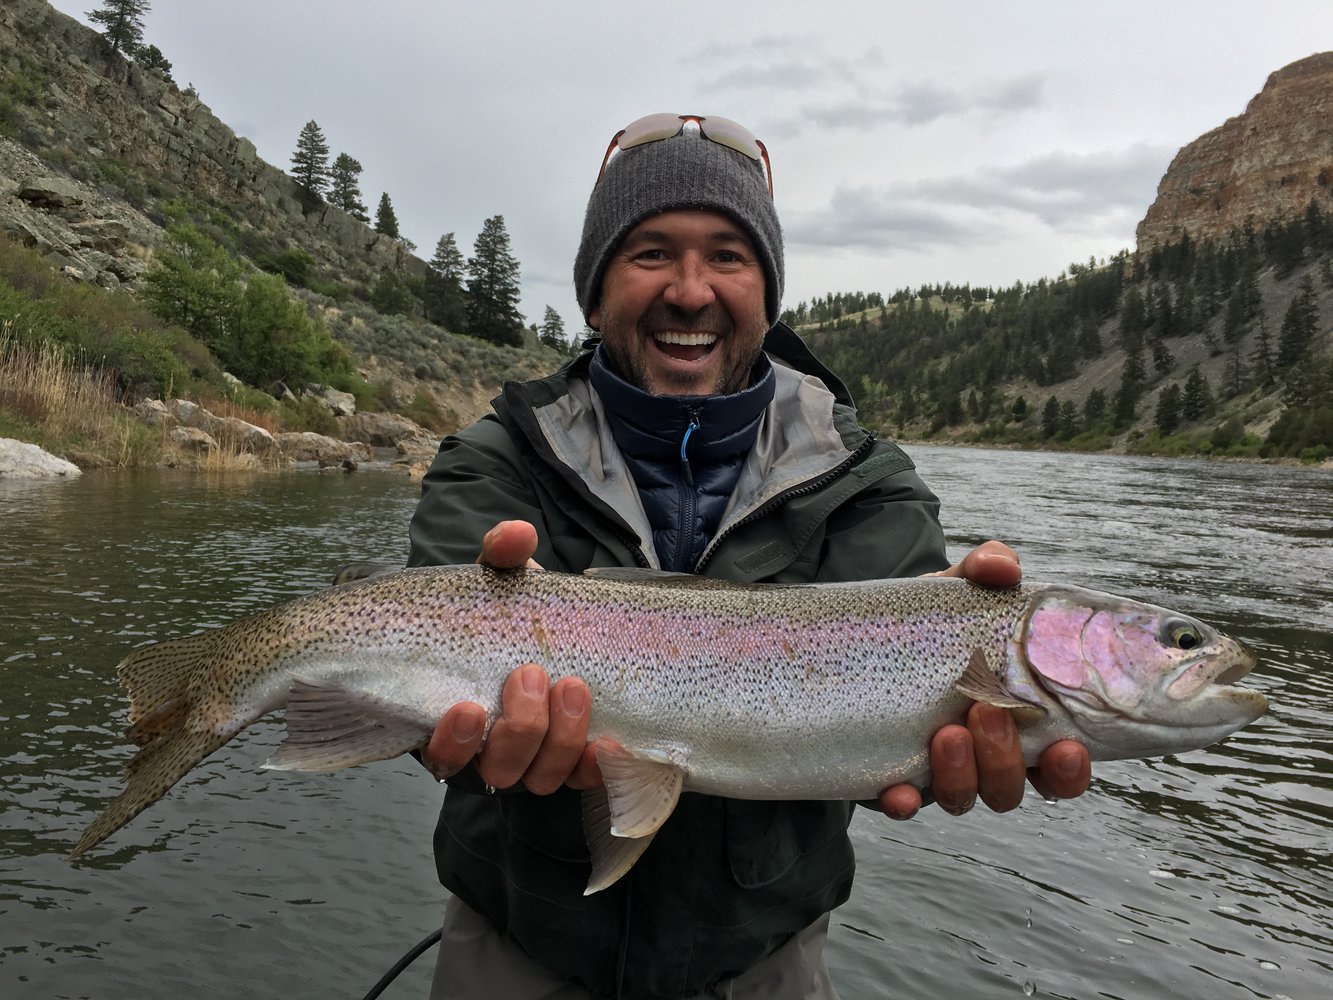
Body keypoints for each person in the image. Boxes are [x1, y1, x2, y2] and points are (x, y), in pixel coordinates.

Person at [406, 113, 1091, 1000]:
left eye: (729, 256)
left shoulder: (869, 483)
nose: (690, 292)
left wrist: (958, 695)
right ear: (592, 290)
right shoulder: (496, 455)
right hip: (517, 943)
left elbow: (927, 695)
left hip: (762, 956)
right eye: (650, 252)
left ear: (766, 297)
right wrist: (443, 718)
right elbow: (422, 683)